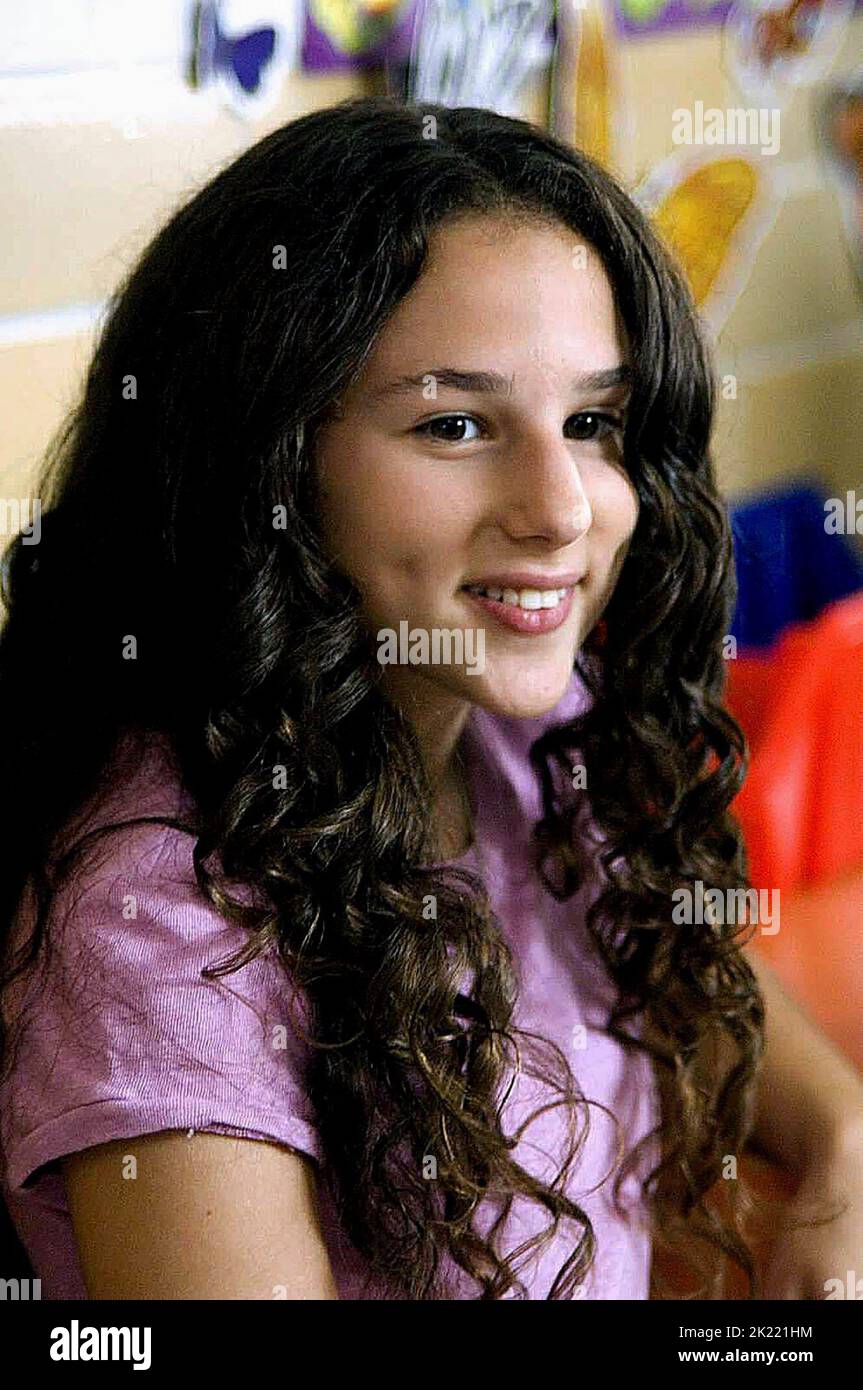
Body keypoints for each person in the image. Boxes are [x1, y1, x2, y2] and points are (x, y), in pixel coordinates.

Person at [0, 96, 860, 1301]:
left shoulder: (527, 736)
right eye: (454, 424)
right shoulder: (164, 926)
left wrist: (838, 1148)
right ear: (268, 463)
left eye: (591, 423)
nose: (559, 506)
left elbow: (689, 969)